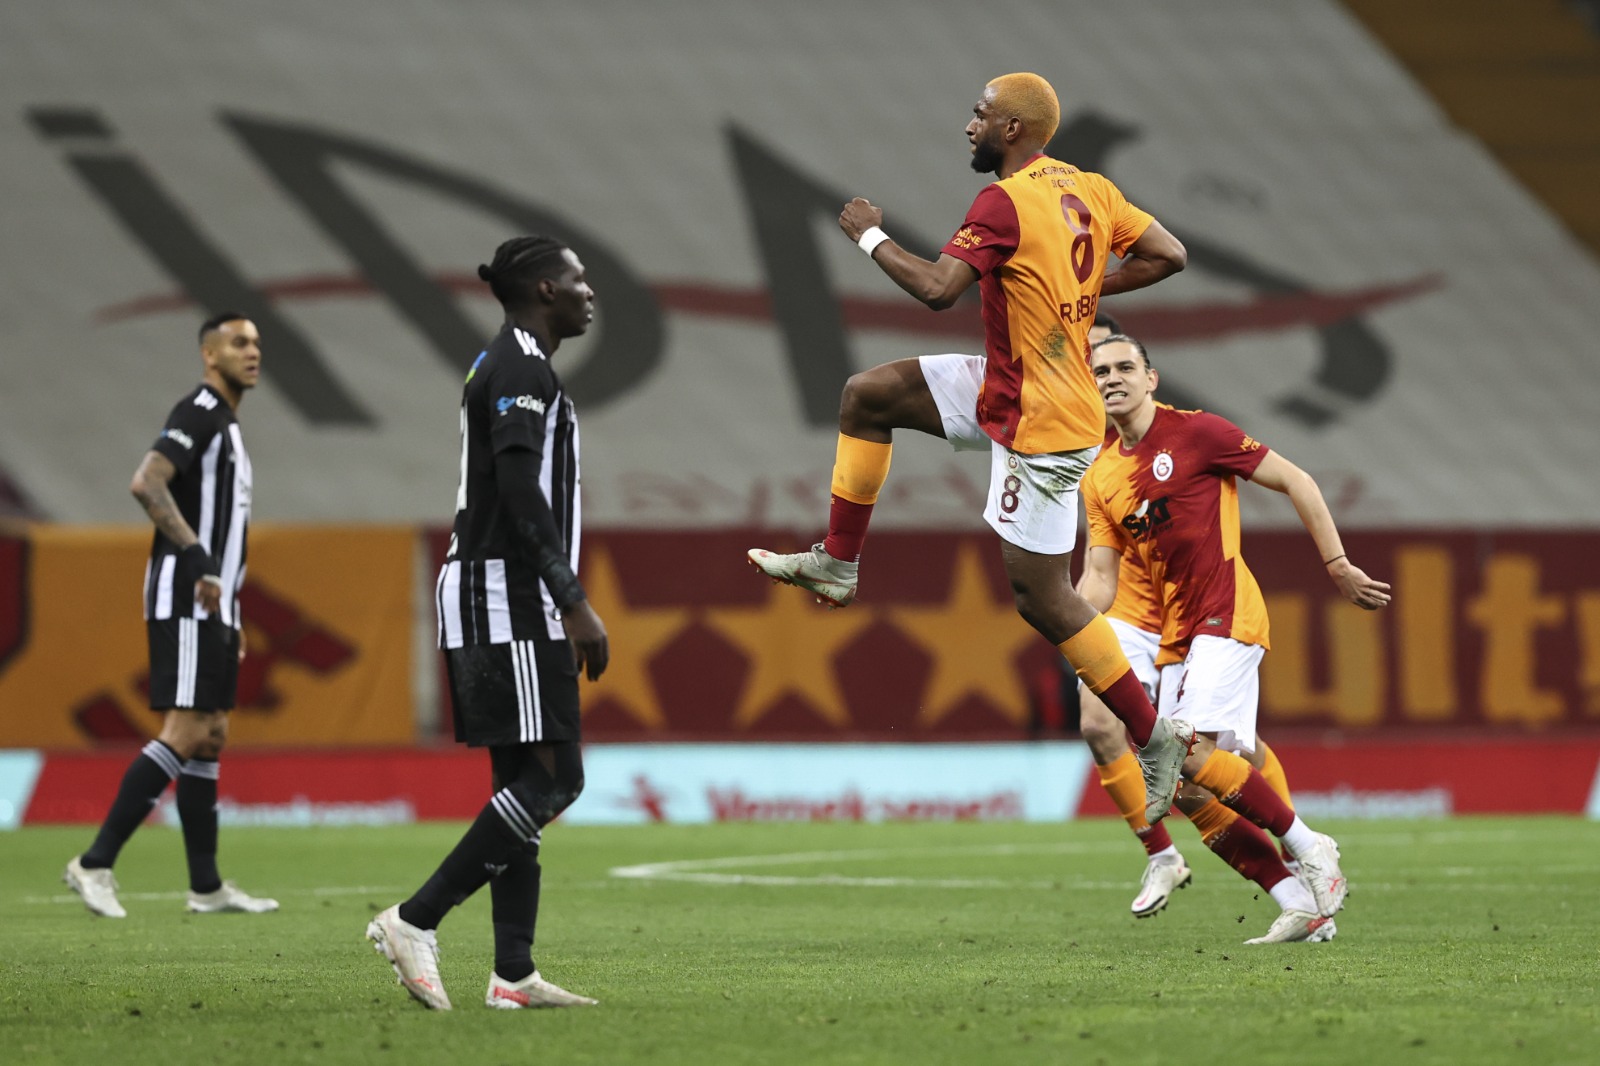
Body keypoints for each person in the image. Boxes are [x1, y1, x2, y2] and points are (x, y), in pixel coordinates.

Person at [747, 72, 1202, 812]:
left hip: (1042, 425)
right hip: (1009, 384)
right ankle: (837, 561)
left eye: (980, 113)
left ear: (1012, 128)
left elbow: (937, 290)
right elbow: (1169, 254)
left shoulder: (1004, 201)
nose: (970, 125)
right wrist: (1085, 294)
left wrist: (867, 233)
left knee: (1043, 599)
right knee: (869, 395)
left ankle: (1153, 737)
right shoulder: (1090, 188)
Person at [1078, 334, 1391, 942]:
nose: (1111, 378)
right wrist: (1065, 627)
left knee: (1187, 754)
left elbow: (1297, 480)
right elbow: (1099, 577)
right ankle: (1297, 900)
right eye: (1100, 372)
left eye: (1124, 367)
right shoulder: (1100, 475)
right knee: (1189, 789)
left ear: (1151, 378)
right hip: (1176, 635)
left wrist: (1337, 565)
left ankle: (1310, 845)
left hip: (1226, 613)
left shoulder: (1198, 432)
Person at [366, 236, 608, 1011]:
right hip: (507, 594)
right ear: (545, 289)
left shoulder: (510, 364)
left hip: (498, 591)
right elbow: (516, 488)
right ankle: (415, 918)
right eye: (577, 279)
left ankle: (513, 973)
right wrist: (571, 598)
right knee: (557, 778)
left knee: (519, 783)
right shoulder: (519, 368)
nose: (590, 291)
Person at [63, 313, 278, 918]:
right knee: (184, 730)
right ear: (209, 355)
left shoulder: (226, 425)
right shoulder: (199, 411)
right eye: (239, 343)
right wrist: (197, 558)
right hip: (187, 595)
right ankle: (94, 863)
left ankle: (205, 886)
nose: (252, 352)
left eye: (257, 343)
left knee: (211, 734)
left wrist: (230, 609)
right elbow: (147, 482)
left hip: (215, 604)